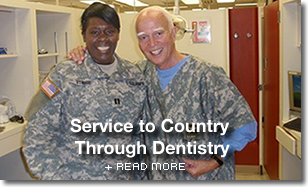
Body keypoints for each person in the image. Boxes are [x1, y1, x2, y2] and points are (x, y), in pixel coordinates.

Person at [68, 6, 257, 180]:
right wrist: (87, 53)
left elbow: (245, 126)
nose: (152, 44)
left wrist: (214, 161)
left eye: (158, 33)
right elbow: (107, 73)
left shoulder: (207, 77)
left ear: (173, 33)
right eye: (143, 37)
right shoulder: (138, 74)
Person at [22, 3, 146, 180]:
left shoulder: (135, 76)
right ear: (84, 36)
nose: (103, 38)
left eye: (109, 32)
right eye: (94, 32)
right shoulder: (64, 74)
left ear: (118, 35)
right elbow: (37, 134)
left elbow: (139, 136)